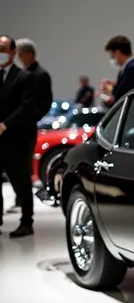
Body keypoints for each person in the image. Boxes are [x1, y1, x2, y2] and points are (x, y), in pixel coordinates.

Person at [7, 38, 52, 220]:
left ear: (28, 54)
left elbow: (44, 103)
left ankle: (26, 211)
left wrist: (30, 118)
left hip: (26, 129)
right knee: (15, 169)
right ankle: (20, 200)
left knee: (24, 169)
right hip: (15, 129)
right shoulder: (21, 74)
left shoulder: (41, 74)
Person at [0, 35, 35, 238]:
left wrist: (6, 124)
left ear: (13, 52)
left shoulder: (23, 77)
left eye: (3, 48)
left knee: (22, 182)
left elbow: (26, 106)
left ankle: (26, 221)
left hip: (15, 139)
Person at [100, 35, 134, 106]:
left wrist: (110, 90)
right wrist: (115, 86)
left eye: (112, 56)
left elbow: (124, 95)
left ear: (117, 53)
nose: (112, 58)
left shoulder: (133, 69)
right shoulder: (128, 68)